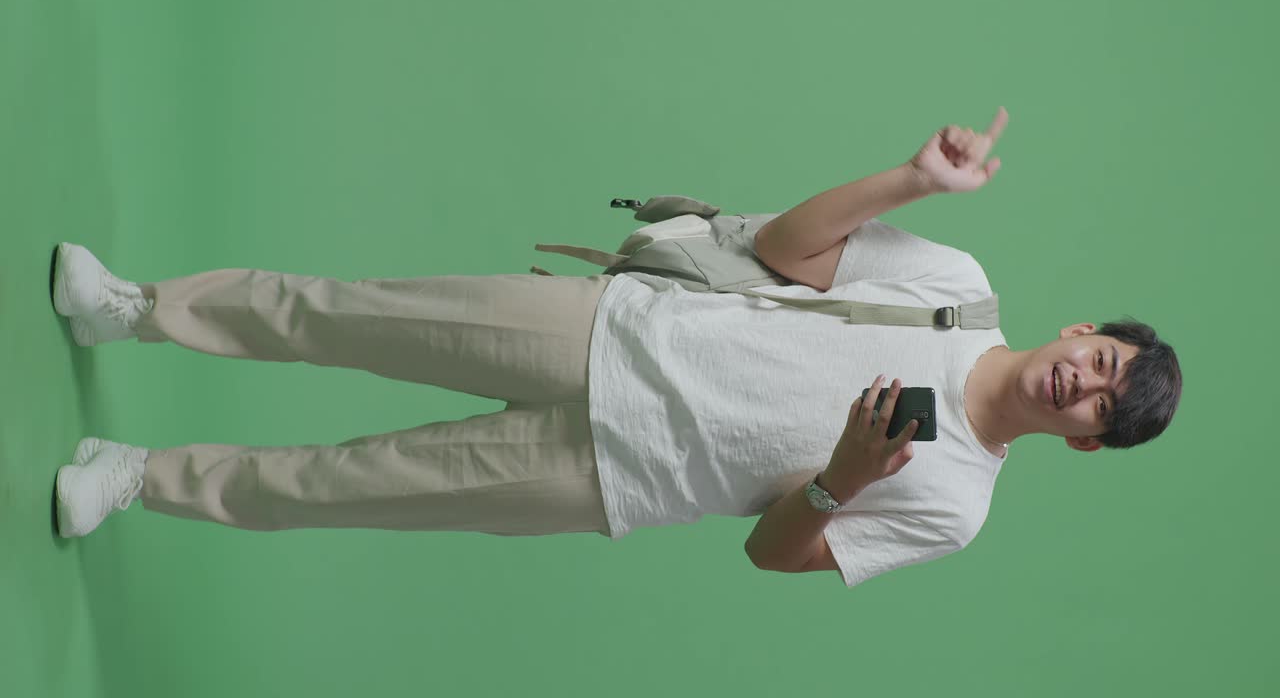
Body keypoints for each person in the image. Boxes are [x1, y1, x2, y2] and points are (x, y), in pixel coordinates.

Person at [51, 106, 1181, 590]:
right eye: (1102, 363)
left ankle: (138, 477)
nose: (1084, 385)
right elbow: (791, 247)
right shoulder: (958, 292)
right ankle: (133, 308)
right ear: (1082, 334)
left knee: (341, 488)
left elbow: (772, 557)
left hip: (614, 476)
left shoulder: (957, 507)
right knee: (341, 310)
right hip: (606, 332)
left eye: (1100, 407)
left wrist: (841, 477)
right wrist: (914, 179)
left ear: (1084, 443)